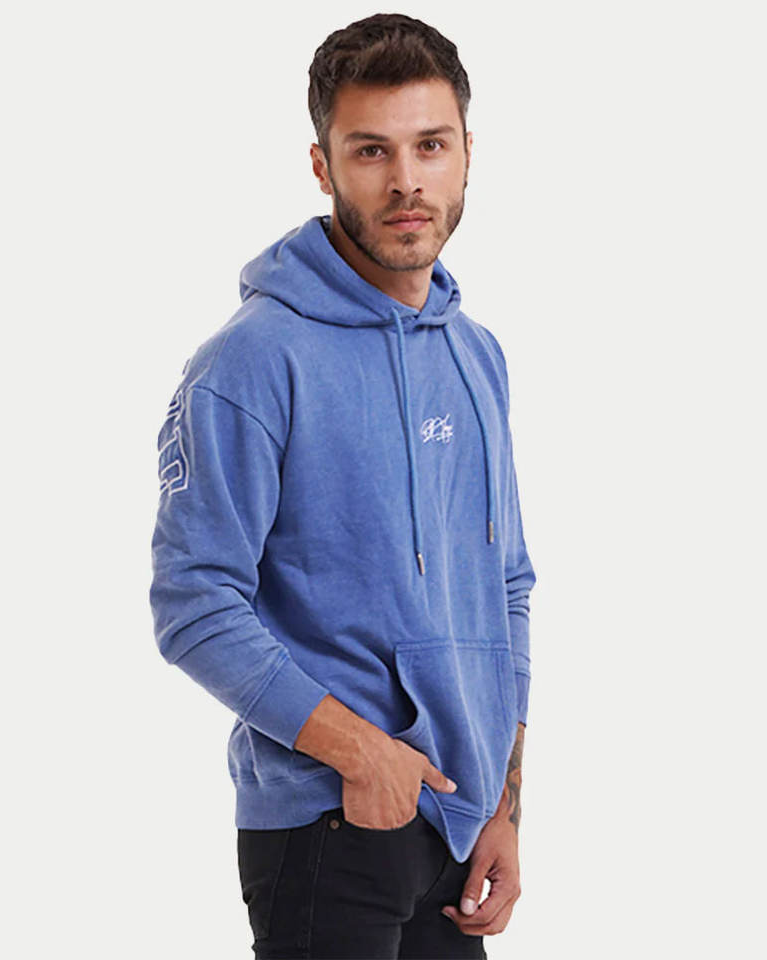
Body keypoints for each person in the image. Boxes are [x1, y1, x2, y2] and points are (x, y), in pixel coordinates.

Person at [148, 13, 536, 959]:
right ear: (323, 166)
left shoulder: (477, 354)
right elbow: (194, 603)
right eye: (371, 151)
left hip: (455, 821)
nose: (406, 181)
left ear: (468, 154)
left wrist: (505, 804)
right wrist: (360, 754)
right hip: (330, 821)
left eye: (430, 146)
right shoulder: (252, 361)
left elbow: (508, 587)